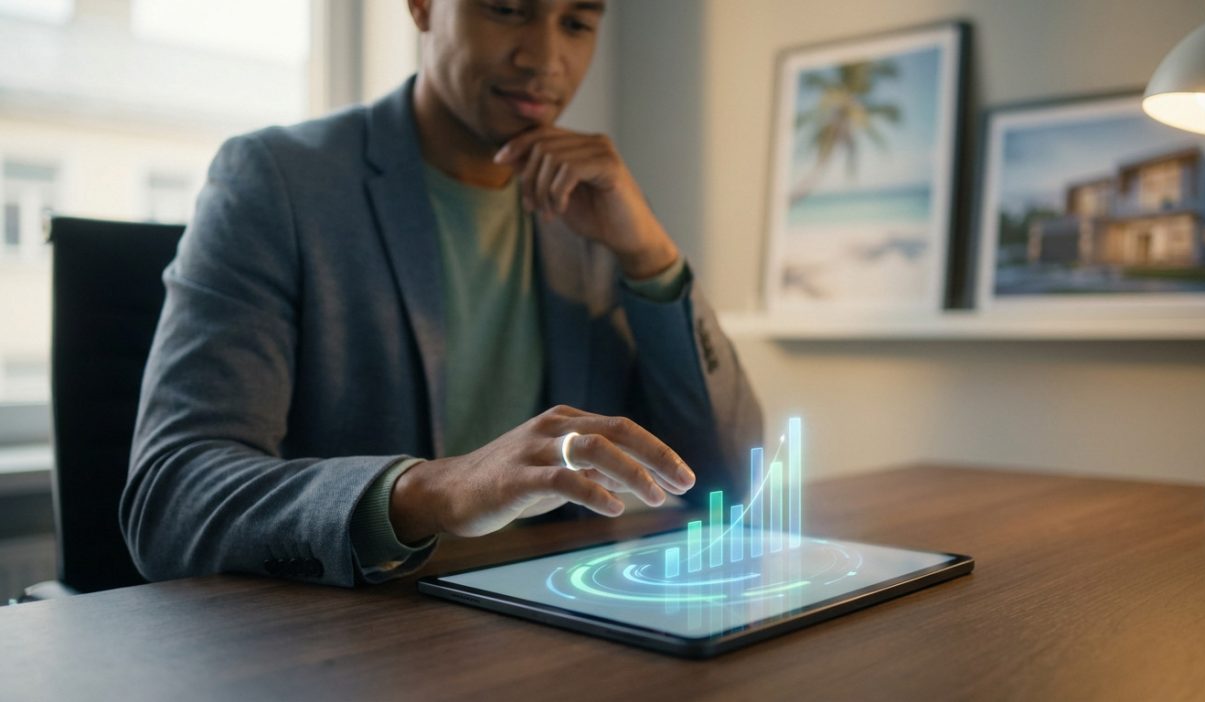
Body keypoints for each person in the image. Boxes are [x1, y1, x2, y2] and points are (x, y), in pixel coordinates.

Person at [121, 0, 762, 587]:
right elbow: (171, 498)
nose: (544, 59)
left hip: (559, 615)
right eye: (507, 9)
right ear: (423, 7)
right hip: (357, 636)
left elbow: (732, 478)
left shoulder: (594, 215)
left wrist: (652, 259)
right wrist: (432, 491)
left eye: (576, 23)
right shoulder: (277, 181)